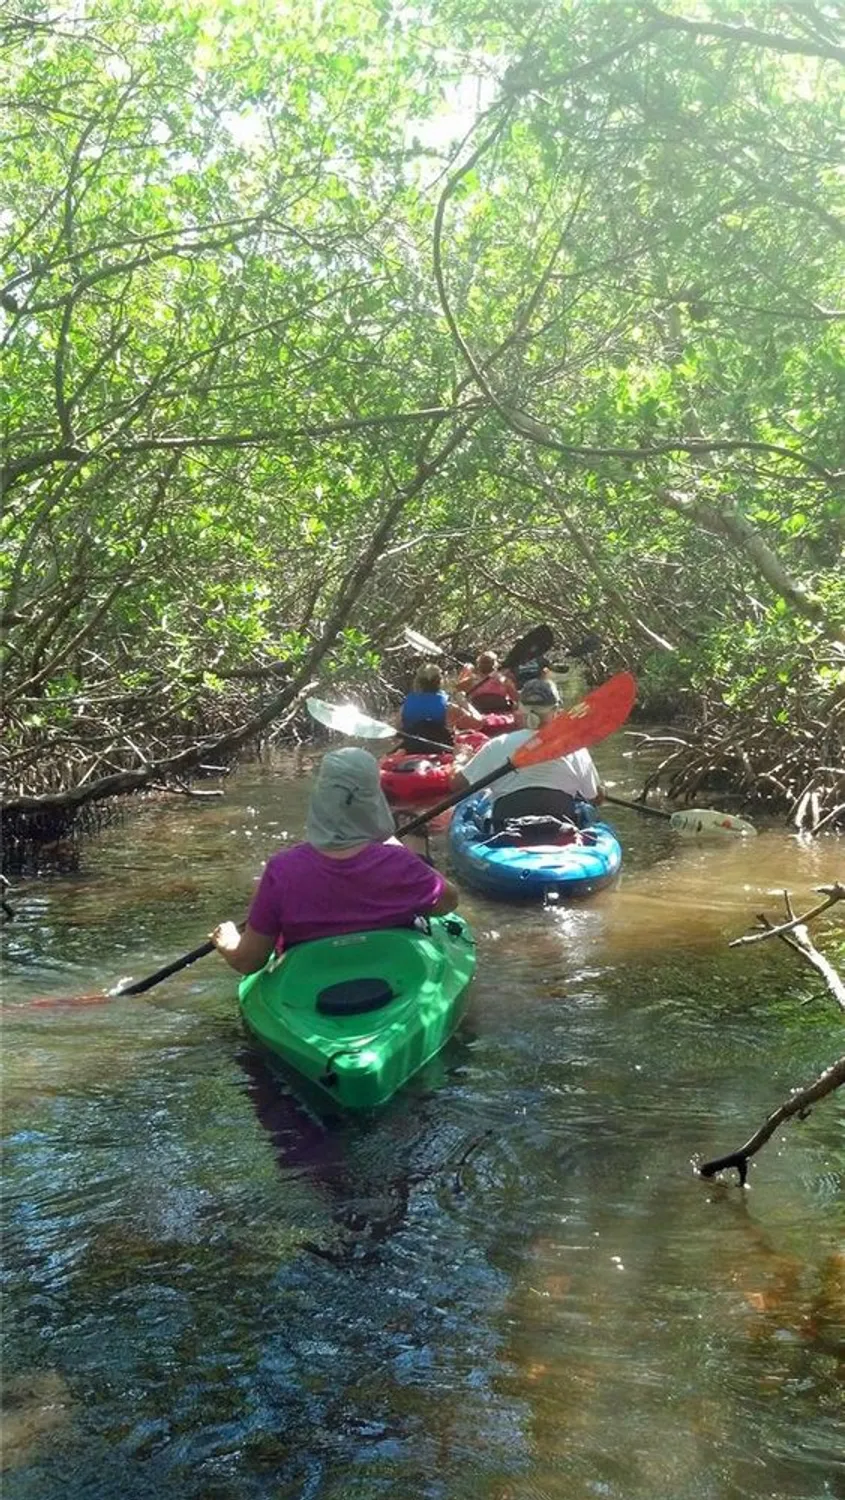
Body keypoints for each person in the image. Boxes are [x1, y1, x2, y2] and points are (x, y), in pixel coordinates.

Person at [211, 748, 459, 975]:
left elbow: (249, 962)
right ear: (373, 799)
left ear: (321, 798)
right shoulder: (398, 861)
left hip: (310, 979)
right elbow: (448, 902)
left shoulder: (281, 870)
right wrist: (393, 845)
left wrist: (229, 942)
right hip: (393, 969)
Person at [451, 677, 603, 830]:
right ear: (557, 711)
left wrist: (460, 760)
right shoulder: (575, 748)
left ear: (519, 709)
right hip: (561, 832)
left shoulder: (497, 745)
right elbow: (595, 798)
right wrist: (599, 788)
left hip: (506, 833)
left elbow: (458, 785)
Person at [397, 661, 454, 754]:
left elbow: (398, 727)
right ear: (440, 681)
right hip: (440, 747)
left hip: (411, 747)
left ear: (418, 682)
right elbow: (451, 727)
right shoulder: (447, 704)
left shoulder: (406, 704)